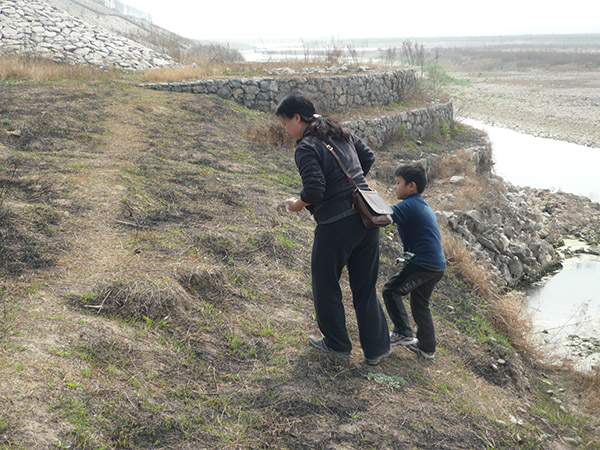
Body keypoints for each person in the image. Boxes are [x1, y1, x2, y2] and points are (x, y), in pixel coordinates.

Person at [276, 91, 391, 366]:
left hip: (336, 225)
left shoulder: (306, 147)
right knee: (365, 286)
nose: (285, 130)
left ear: (296, 117)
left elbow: (315, 190)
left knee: (326, 284)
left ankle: (337, 344)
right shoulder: (340, 132)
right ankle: (376, 349)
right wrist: (352, 184)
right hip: (367, 217)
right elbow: (368, 157)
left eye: (284, 123)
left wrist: (296, 205)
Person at [382, 162, 446, 360]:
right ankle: (427, 348)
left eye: (398, 182)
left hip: (423, 263)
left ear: (412, 186)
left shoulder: (409, 205)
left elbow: (382, 216)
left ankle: (403, 333)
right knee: (420, 304)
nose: (395, 187)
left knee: (391, 291)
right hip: (436, 265)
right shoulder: (420, 204)